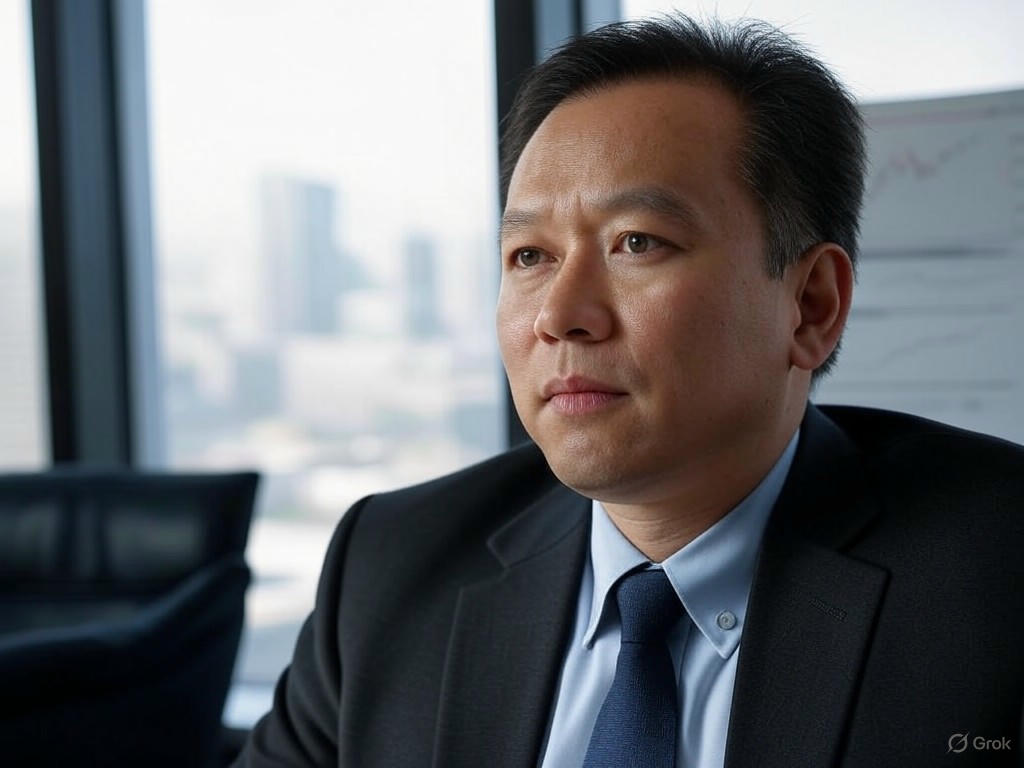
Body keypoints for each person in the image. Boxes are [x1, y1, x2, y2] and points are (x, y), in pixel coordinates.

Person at [233, 14, 1024, 768]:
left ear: (810, 305)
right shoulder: (393, 567)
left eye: (637, 243)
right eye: (530, 256)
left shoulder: (999, 573)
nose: (560, 316)